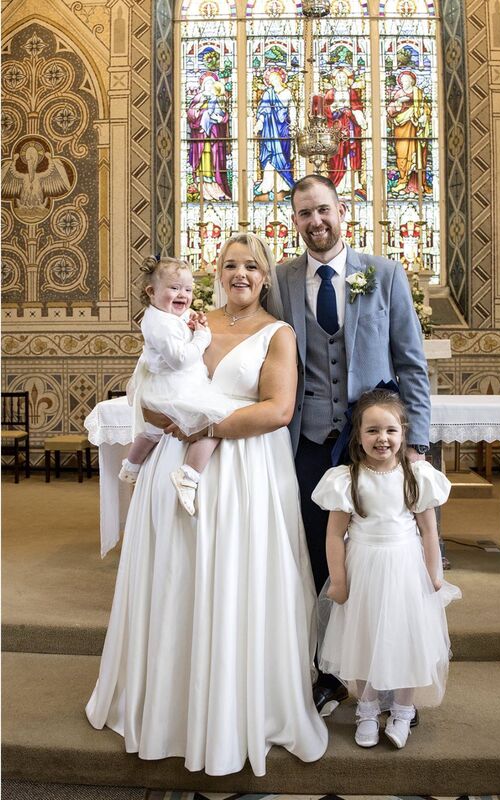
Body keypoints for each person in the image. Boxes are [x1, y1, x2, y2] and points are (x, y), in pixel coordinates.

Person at [86, 232, 328, 776]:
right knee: (175, 580)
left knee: (233, 583)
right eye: (229, 265)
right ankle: (169, 706)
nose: (239, 274)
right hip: (174, 461)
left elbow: (277, 410)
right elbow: (150, 383)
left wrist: (203, 424)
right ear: (216, 272)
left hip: (245, 471)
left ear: (266, 276)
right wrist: (159, 416)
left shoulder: (278, 334)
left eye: (251, 266)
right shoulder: (184, 324)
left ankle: (232, 709)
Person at [274, 173, 431, 715]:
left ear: (343, 212)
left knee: (382, 557)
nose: (315, 222)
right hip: (308, 440)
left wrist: (417, 445)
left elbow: (411, 363)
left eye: (323, 210)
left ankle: (383, 674)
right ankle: (325, 672)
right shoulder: (281, 279)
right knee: (321, 552)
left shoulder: (383, 274)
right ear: (294, 221)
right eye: (303, 214)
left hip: (373, 444)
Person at [312, 389, 461, 749]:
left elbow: (428, 531)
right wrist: (340, 581)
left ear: (403, 433)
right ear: (358, 436)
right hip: (363, 567)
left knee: (406, 638)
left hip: (406, 569)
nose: (382, 438)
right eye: (373, 430)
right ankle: (366, 708)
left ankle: (402, 711)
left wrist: (432, 576)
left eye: (391, 430)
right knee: (362, 638)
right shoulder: (346, 478)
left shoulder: (416, 476)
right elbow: (335, 535)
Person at [119, 255, 246, 516]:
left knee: (153, 431)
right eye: (174, 288)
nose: (183, 295)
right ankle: (189, 475)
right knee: (213, 419)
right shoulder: (159, 324)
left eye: (188, 289)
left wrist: (193, 321)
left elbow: (182, 319)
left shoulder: (163, 314)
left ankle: (131, 465)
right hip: (174, 386)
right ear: (151, 292)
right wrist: (201, 336)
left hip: (165, 385)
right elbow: (179, 359)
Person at [386, 70, 432, 196]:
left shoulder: (418, 93)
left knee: (416, 155)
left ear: (412, 81)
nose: (404, 82)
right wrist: (399, 103)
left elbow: (426, 108)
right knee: (402, 153)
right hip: (401, 128)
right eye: (402, 81)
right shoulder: (398, 94)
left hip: (416, 129)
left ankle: (418, 185)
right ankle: (402, 181)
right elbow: (390, 111)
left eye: (407, 80)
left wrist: (424, 116)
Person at [187, 72, 232, 201]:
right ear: (202, 85)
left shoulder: (218, 98)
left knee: (215, 160)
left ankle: (217, 189)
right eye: (206, 83)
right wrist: (200, 109)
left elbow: (224, 115)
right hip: (200, 137)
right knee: (203, 159)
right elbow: (190, 114)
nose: (209, 85)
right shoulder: (198, 97)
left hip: (215, 135)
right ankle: (202, 189)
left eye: (211, 83)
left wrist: (220, 118)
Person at [254, 66, 296, 198]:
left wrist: (294, 123)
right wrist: (259, 123)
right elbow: (263, 110)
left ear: (281, 78)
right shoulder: (267, 93)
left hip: (283, 128)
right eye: (271, 79)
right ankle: (268, 185)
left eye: (276, 77)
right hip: (269, 129)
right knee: (270, 155)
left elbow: (292, 108)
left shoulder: (287, 92)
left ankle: (283, 185)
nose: (274, 80)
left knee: (283, 154)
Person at [324, 67, 367, 189]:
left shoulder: (351, 92)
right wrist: (334, 108)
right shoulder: (330, 93)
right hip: (336, 126)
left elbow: (357, 108)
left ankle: (352, 183)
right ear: (335, 80)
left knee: (351, 152)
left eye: (343, 77)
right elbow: (324, 110)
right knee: (337, 154)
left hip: (350, 125)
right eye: (339, 77)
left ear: (348, 79)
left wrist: (361, 119)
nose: (341, 80)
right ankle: (338, 184)